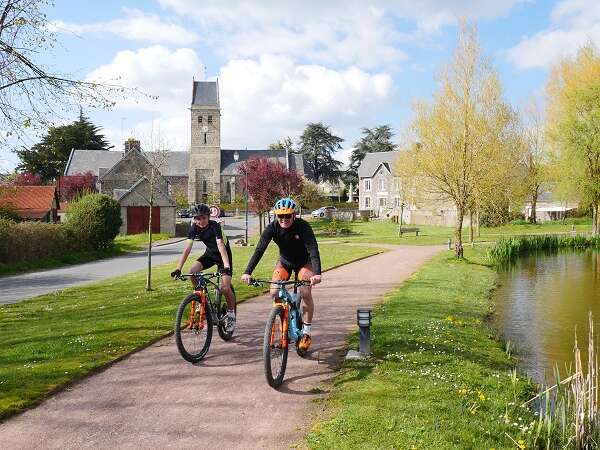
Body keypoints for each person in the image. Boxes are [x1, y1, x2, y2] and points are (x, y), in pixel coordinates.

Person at [241, 197, 321, 352]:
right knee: (274, 292)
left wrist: (317, 273)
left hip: (304, 262)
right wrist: (247, 272)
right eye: (280, 216)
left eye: (287, 216)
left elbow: (313, 249)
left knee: (305, 291)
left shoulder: (303, 227)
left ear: (294, 215)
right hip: (285, 262)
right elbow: (259, 250)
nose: (283, 219)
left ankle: (306, 332)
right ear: (276, 216)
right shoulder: (272, 228)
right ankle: (280, 321)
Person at [171, 203, 236, 332]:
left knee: (225, 288)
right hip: (210, 255)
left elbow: (221, 246)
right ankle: (200, 297)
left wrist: (227, 266)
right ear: (194, 219)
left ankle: (231, 314)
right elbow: (187, 249)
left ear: (208, 217)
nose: (200, 221)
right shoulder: (194, 228)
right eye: (197, 218)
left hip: (223, 257)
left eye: (203, 218)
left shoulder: (215, 226)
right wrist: (178, 268)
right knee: (192, 271)